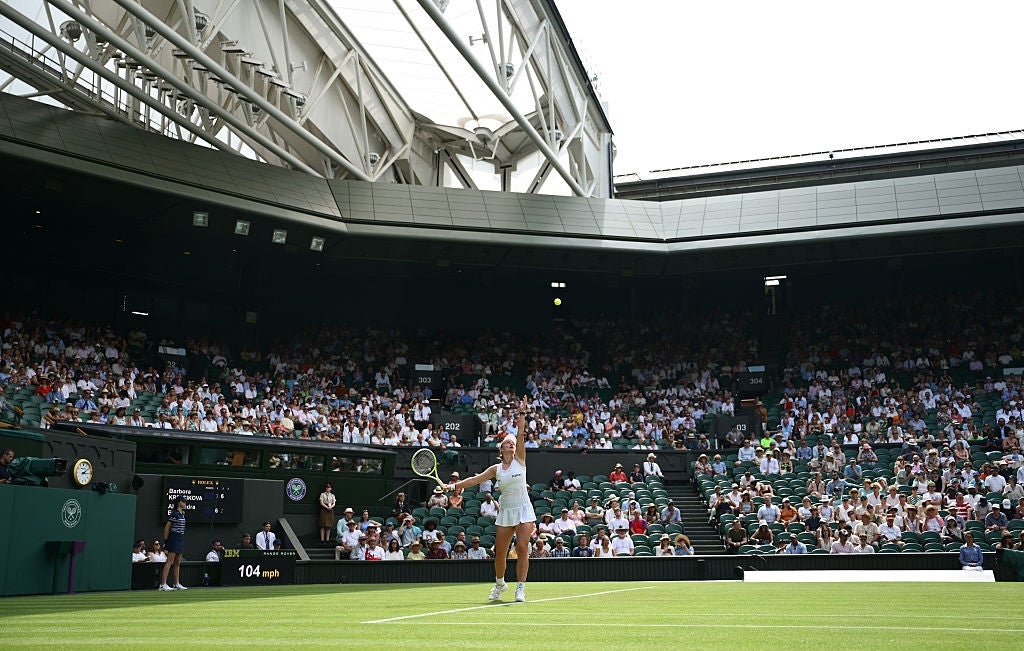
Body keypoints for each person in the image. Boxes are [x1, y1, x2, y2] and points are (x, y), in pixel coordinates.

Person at [448, 398, 535, 602]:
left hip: (523, 508)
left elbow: (521, 435)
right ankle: (499, 584)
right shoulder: (495, 469)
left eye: (514, 443)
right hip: (505, 511)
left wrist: (522, 414)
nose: (512, 444)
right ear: (502, 448)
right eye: (508, 443)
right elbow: (474, 480)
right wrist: (452, 486)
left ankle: (520, 588)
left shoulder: (520, 460)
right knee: (500, 555)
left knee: (522, 547)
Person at [159, 498, 187, 591]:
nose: (185, 503)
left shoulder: (182, 514)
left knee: (177, 562)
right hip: (174, 539)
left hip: (180, 538)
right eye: (184, 501)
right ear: (179, 503)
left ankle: (176, 584)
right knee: (170, 561)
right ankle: (162, 585)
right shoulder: (175, 514)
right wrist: (166, 540)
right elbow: (167, 528)